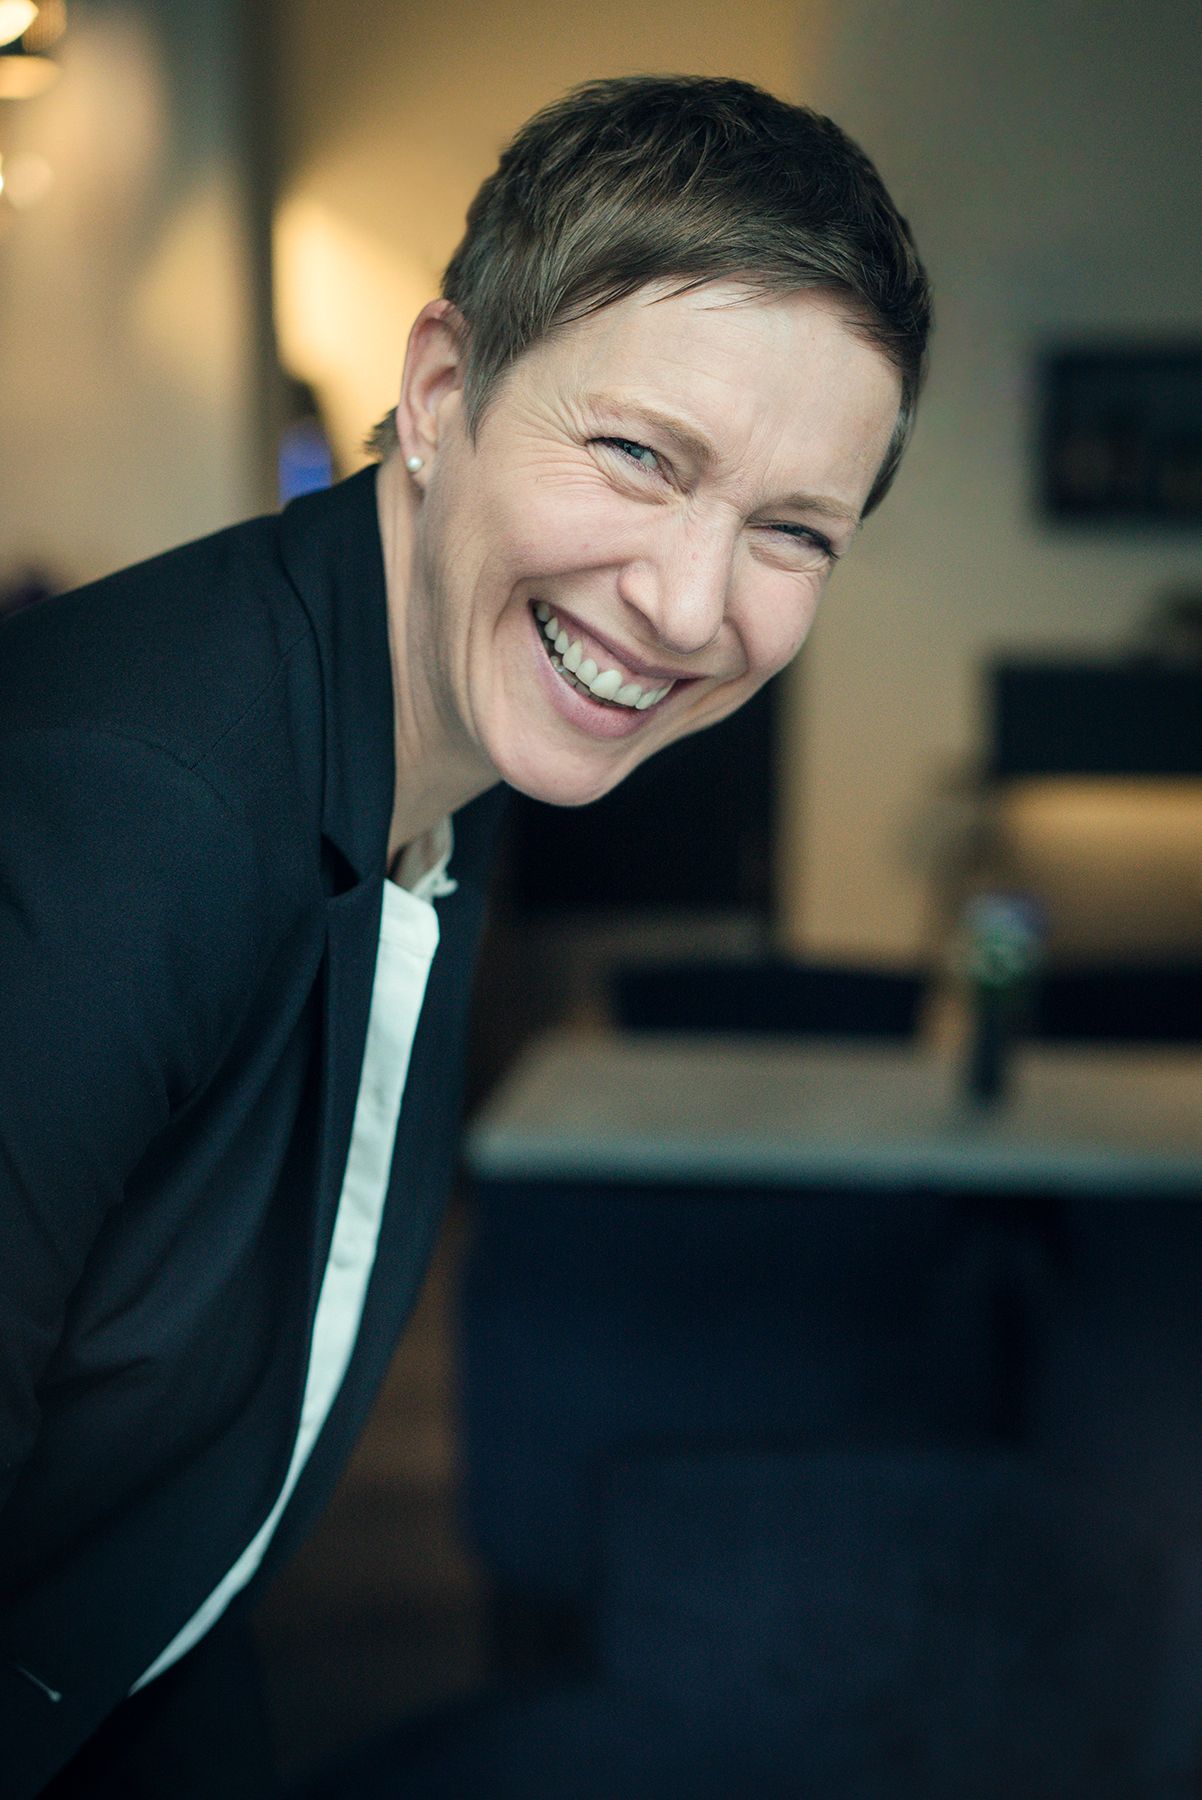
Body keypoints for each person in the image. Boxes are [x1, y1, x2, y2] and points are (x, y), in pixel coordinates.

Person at [0, 73, 930, 1796]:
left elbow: (183, 1525)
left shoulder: (454, 748)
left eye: (790, 531)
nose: (686, 606)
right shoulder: (124, 809)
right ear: (441, 391)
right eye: (640, 454)